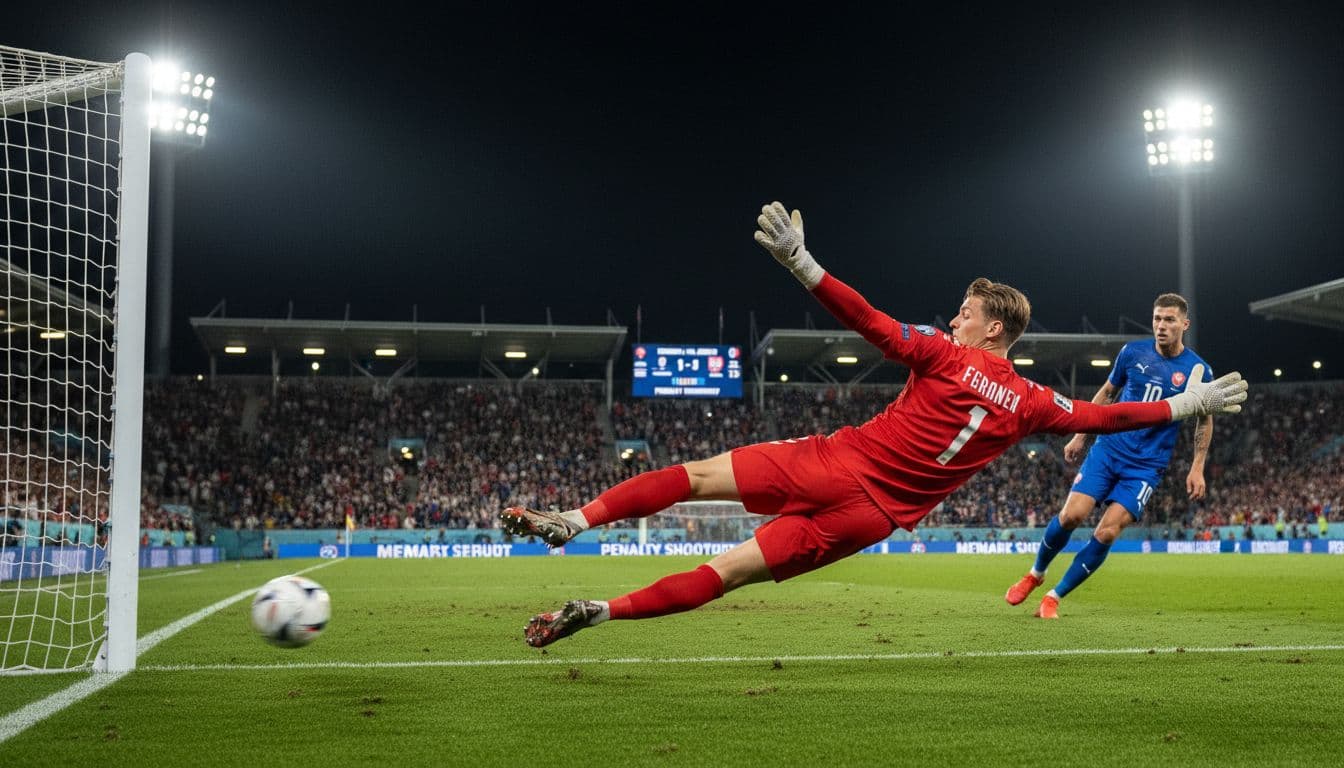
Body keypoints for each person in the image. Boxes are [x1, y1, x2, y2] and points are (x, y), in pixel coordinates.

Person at [500, 201, 1247, 648]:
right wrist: (1186, 405)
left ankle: (576, 519)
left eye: (966, 311)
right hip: (868, 518)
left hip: (832, 463)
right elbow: (1107, 413)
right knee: (723, 575)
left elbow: (870, 322)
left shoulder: (947, 356)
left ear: (990, 330)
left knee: (695, 479)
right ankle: (599, 612)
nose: (956, 316)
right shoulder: (1032, 403)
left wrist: (803, 266)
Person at [1005, 292, 1218, 618]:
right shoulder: (1131, 353)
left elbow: (1205, 418)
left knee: (1106, 531)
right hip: (1110, 449)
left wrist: (1197, 466)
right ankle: (1036, 573)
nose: (1161, 326)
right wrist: (1080, 435)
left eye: (1169, 320)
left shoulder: (1198, 371)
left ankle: (1054, 596)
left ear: (1184, 324)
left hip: (1147, 466)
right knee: (1071, 516)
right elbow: (1106, 393)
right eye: (1157, 318)